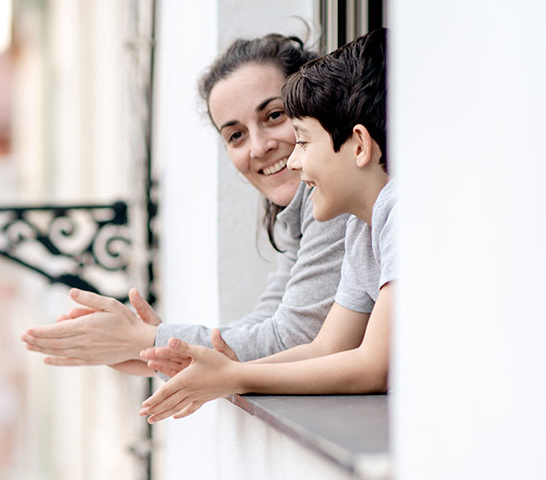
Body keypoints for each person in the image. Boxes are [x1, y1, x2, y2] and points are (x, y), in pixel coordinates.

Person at [20, 34, 349, 374]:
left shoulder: (336, 199)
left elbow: (291, 339)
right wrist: (154, 352)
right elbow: (266, 322)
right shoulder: (299, 211)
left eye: (274, 115)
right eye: (235, 135)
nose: (258, 147)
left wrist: (147, 340)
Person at [138, 27, 392, 423]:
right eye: (236, 135)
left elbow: (372, 366)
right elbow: (327, 347)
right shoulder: (364, 227)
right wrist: (217, 370)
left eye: (301, 139)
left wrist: (229, 374)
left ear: (358, 144)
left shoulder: (394, 209)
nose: (285, 157)